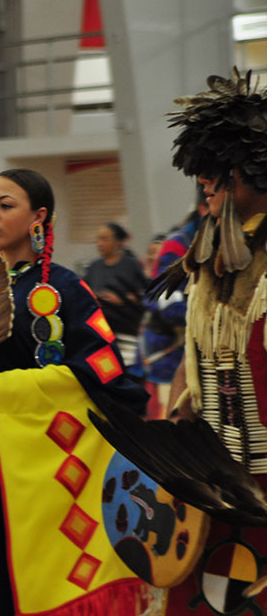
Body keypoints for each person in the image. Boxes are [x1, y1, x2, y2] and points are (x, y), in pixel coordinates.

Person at [0, 169, 149, 615]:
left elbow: (107, 372)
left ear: (38, 217)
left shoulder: (65, 289)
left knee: (24, 575)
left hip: (35, 466)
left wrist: (9, 390)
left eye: (6, 205)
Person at [152, 69, 267, 611]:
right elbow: (191, 359)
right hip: (214, 478)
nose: (203, 183)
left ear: (248, 172)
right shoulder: (210, 257)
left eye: (214, 172)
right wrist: (179, 423)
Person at [139, 190, 207, 418]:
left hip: (207, 356)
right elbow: (165, 302)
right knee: (175, 425)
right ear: (204, 207)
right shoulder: (178, 246)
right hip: (172, 355)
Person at [84, 222, 147, 373]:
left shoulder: (131, 265)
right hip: (101, 332)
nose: (100, 244)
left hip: (127, 330)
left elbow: (144, 296)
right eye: (98, 239)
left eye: (105, 239)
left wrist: (122, 300)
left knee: (128, 373)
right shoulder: (94, 267)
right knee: (107, 374)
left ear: (117, 242)